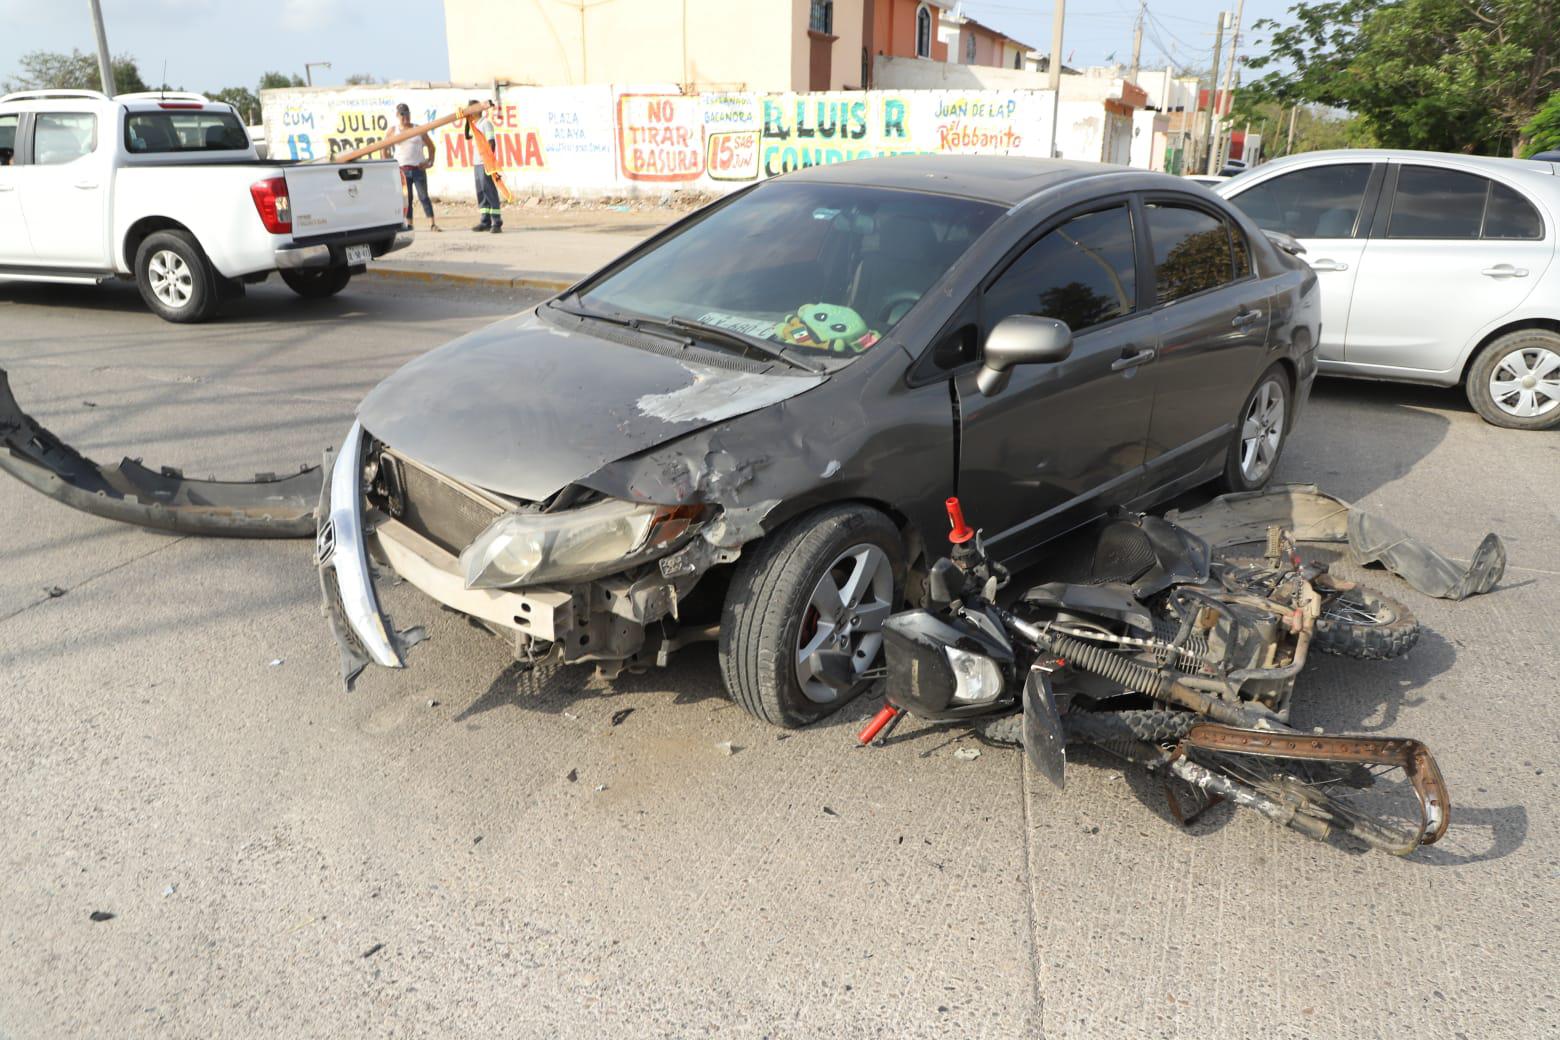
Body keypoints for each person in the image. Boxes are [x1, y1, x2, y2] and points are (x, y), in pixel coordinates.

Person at [385, 103, 440, 232]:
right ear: (397, 116)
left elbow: (432, 147)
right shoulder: (393, 131)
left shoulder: (418, 129)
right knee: (407, 199)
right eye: (402, 115)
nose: (405, 118)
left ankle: (432, 223)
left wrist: (429, 162)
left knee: (424, 197)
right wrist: (388, 164)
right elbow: (384, 148)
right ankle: (409, 224)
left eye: (407, 115)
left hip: (418, 169)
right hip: (402, 171)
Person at [467, 99, 502, 233]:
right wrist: (466, 120)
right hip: (477, 163)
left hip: (484, 162)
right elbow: (467, 136)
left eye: (470, 110)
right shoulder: (474, 125)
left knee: (489, 191)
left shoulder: (486, 123)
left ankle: (496, 222)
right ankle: (485, 221)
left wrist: (489, 161)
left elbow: (491, 142)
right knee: (481, 192)